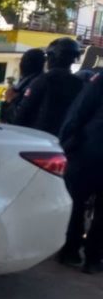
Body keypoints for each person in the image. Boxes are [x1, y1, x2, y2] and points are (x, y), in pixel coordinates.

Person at [58, 70, 103, 273]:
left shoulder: (99, 81)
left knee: (75, 202)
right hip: (91, 149)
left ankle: (70, 251)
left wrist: (65, 144)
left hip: (90, 152)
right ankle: (94, 259)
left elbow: (79, 112)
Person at [14, 38, 84, 136]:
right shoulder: (80, 83)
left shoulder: (43, 81)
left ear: (53, 57)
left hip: (38, 139)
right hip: (63, 141)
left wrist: (9, 102)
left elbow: (21, 115)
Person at [0, 48, 45, 124]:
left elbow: (18, 117)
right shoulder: (29, 81)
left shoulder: (34, 84)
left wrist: (10, 100)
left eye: (23, 61)